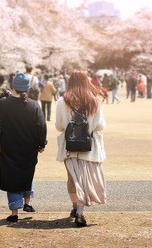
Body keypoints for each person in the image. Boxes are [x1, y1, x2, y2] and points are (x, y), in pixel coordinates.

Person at [0, 72, 47, 223]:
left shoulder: (5, 103)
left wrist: (5, 96)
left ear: (13, 87)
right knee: (27, 172)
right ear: (27, 89)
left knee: (11, 175)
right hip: (29, 147)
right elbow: (41, 126)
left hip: (9, 146)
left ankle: (14, 211)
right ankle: (27, 203)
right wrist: (41, 143)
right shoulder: (34, 105)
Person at [55, 70, 106, 227]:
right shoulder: (94, 100)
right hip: (89, 146)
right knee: (84, 179)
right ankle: (80, 213)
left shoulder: (63, 101)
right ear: (86, 81)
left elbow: (59, 126)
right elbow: (100, 126)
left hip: (69, 147)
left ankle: (76, 206)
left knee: (72, 178)